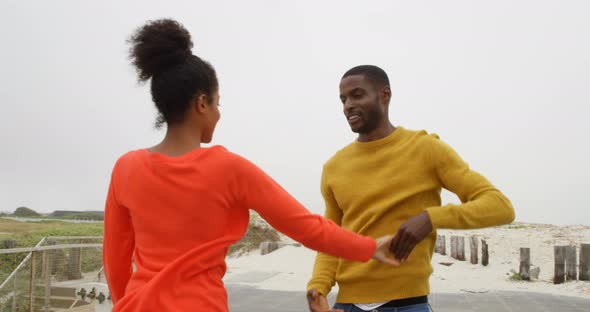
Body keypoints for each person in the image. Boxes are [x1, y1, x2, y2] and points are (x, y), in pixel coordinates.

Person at [102, 20, 399, 312]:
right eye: (217, 103)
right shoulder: (228, 168)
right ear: (201, 103)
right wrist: (370, 248)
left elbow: (115, 257)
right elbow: (306, 227)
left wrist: (125, 303)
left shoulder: (126, 167)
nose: (218, 114)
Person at [306, 65, 516, 312]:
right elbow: (331, 239)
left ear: (385, 95)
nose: (348, 105)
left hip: (407, 304)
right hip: (346, 304)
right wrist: (317, 287)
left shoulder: (425, 149)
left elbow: (500, 206)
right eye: (343, 99)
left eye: (357, 95)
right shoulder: (334, 167)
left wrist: (430, 218)